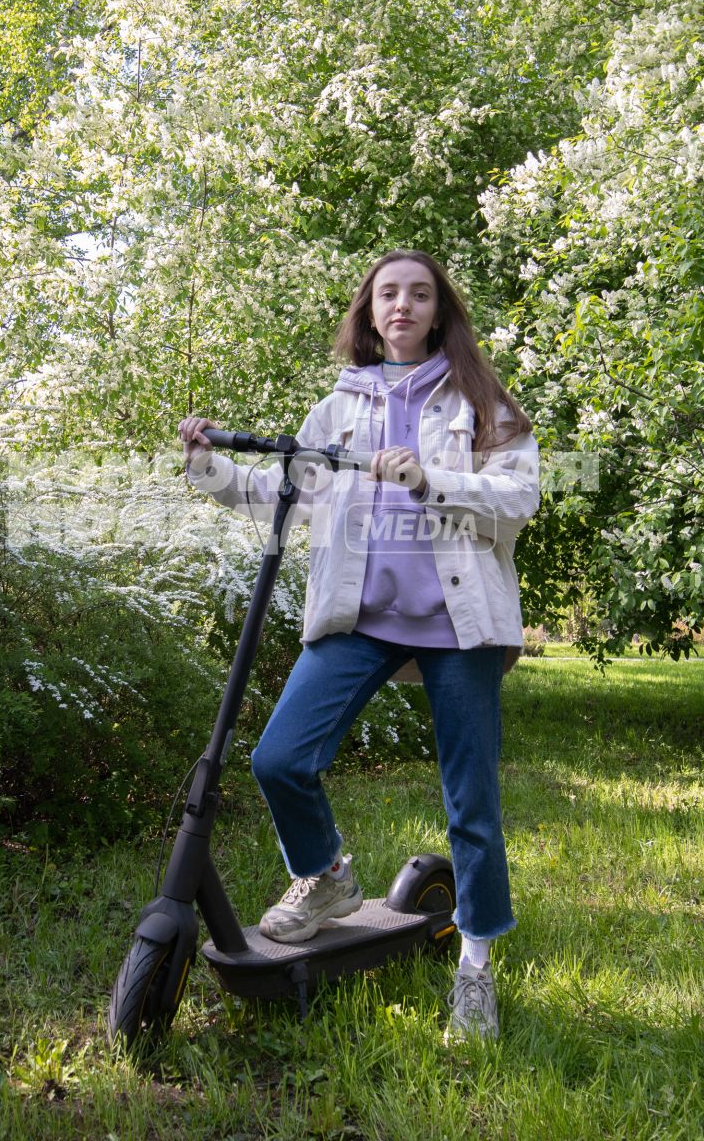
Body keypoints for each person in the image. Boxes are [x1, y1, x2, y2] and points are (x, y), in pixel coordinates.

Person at [178, 249, 540, 1044]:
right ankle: (329, 876)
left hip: (461, 628)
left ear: (439, 312)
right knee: (279, 758)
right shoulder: (339, 407)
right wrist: (208, 469)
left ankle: (476, 968)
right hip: (359, 619)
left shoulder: (483, 402)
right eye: (388, 294)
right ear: (370, 313)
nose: (403, 305)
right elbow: (284, 498)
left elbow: (518, 499)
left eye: (419, 294)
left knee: (471, 806)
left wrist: (428, 480)